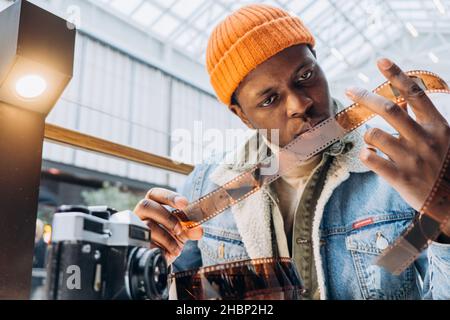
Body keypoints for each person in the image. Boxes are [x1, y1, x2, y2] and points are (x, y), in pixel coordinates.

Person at [134, 4, 450, 299]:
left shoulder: (399, 170)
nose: (300, 104)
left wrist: (446, 219)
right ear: (242, 115)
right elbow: (175, 291)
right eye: (270, 99)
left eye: (305, 76)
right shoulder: (207, 187)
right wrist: (141, 258)